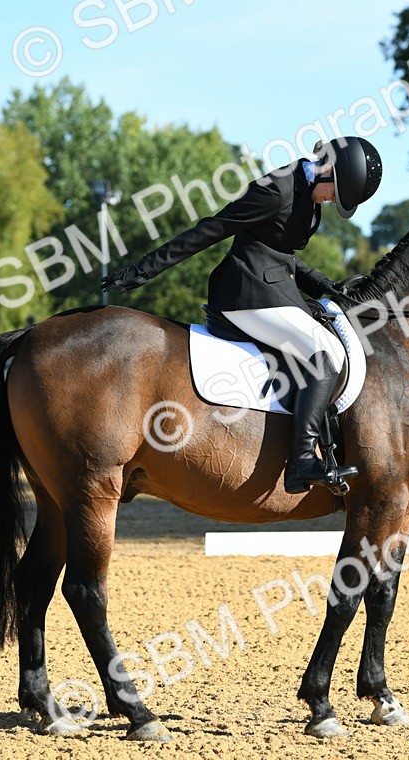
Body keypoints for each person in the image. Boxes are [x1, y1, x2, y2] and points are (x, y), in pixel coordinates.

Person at [103, 136, 383, 493]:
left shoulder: (308, 190)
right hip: (245, 294)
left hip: (275, 288)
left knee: (326, 343)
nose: (331, 201)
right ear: (328, 169)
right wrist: (144, 269)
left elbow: (282, 252)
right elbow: (213, 228)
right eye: (335, 194)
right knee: (324, 355)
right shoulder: (277, 188)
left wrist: (325, 286)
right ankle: (302, 462)